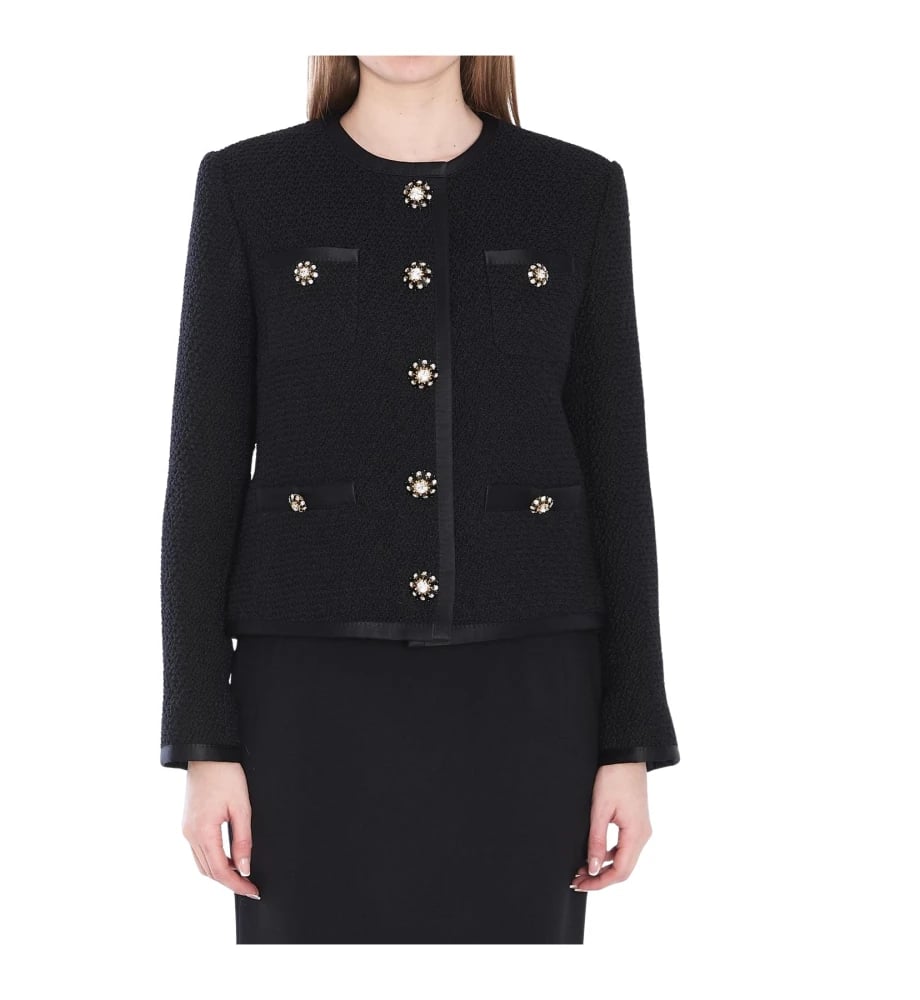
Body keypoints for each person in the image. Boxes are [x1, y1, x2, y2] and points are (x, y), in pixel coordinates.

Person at [160, 55, 681, 945]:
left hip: (531, 693)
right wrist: (204, 743)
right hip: (307, 694)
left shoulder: (575, 190)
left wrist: (628, 742)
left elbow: (618, 476)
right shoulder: (251, 186)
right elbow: (201, 478)